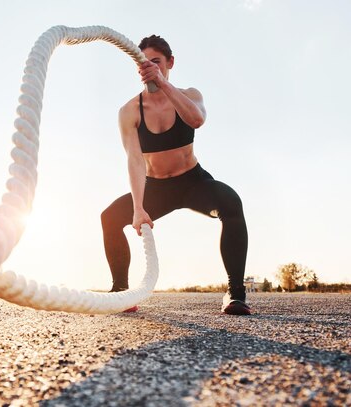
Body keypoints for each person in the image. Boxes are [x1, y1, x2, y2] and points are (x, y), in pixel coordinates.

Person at [100, 35, 251, 315]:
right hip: (156, 187)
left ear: (170, 62)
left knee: (231, 202)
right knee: (109, 217)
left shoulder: (190, 95)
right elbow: (134, 160)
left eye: (155, 62)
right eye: (142, 63)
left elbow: (196, 120)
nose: (148, 68)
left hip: (193, 182)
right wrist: (138, 208)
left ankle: (235, 292)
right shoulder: (129, 111)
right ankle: (120, 293)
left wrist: (164, 85)